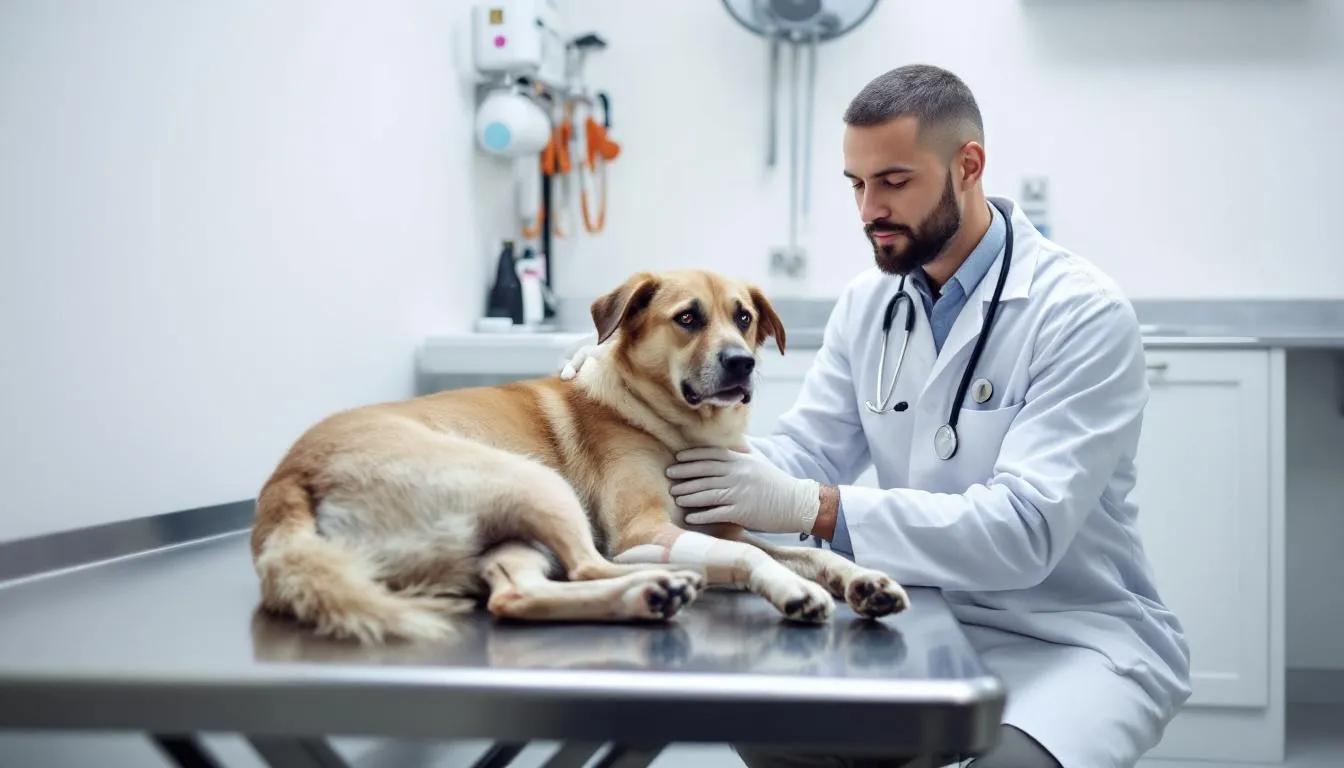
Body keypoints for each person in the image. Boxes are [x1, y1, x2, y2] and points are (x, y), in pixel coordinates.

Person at [561, 64, 1191, 768]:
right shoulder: (871, 303)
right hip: (916, 615)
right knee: (770, 730)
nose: (869, 210)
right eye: (856, 185)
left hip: (1067, 638)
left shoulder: (1080, 312)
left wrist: (818, 507)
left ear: (968, 166)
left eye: (893, 181)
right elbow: (806, 452)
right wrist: (630, 404)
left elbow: (1025, 532)